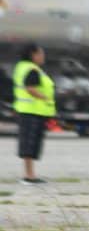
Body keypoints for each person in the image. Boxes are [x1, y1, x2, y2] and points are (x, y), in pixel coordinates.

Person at [13, 43, 56, 185]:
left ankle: (30, 175)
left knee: (30, 144)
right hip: (32, 111)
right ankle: (29, 176)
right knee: (29, 145)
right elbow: (30, 88)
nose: (43, 56)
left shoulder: (23, 67)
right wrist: (45, 98)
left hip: (29, 111)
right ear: (33, 54)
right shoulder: (32, 69)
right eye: (41, 53)